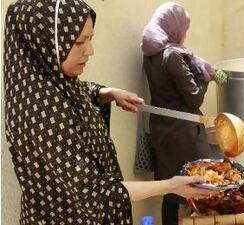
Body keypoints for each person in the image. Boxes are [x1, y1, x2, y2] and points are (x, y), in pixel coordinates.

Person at [3, 1, 215, 224]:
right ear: (42, 43)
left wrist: (109, 93)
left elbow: (80, 93)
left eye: (90, 38)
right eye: (78, 42)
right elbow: (93, 192)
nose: (90, 51)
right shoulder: (41, 112)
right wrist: (170, 186)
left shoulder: (55, 83)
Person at [140, 2, 215, 225]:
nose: (186, 33)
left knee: (171, 191)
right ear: (175, 27)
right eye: (185, 27)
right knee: (197, 188)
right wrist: (205, 77)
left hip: (162, 130)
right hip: (184, 134)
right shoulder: (173, 55)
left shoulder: (151, 53)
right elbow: (194, 98)